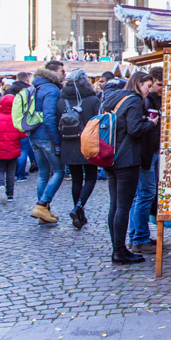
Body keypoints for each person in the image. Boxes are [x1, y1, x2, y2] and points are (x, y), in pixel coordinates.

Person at [102, 73, 156, 264]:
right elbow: (135, 129)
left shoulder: (116, 97)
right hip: (126, 159)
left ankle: (117, 247)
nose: (149, 90)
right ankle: (119, 251)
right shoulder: (133, 100)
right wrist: (150, 123)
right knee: (123, 206)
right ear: (138, 84)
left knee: (115, 205)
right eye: (147, 86)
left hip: (110, 155)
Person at [57, 70, 100, 229]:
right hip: (88, 143)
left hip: (68, 144)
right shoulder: (92, 99)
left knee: (76, 179)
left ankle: (78, 213)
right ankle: (79, 208)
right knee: (90, 177)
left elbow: (56, 123)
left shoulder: (61, 101)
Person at [129, 67, 163, 253]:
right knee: (145, 194)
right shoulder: (142, 102)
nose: (155, 89)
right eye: (154, 85)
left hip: (147, 153)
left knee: (142, 195)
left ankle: (136, 236)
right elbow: (137, 129)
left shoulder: (145, 100)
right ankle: (139, 238)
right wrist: (151, 124)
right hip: (146, 154)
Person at [28, 66, 65, 223]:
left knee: (43, 173)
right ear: (54, 73)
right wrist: (56, 140)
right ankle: (42, 205)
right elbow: (49, 116)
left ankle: (44, 212)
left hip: (34, 134)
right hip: (46, 136)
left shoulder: (34, 87)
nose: (64, 74)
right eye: (62, 71)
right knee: (59, 171)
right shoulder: (51, 89)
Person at [0, 94, 26, 205]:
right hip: (13, 150)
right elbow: (23, 135)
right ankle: (10, 193)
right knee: (11, 172)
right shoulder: (16, 119)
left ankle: (1, 186)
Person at [7, 72, 37, 182]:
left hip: (10, 122)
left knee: (13, 148)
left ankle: (13, 171)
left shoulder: (9, 90)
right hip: (25, 122)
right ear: (27, 80)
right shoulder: (30, 90)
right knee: (23, 149)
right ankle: (20, 173)